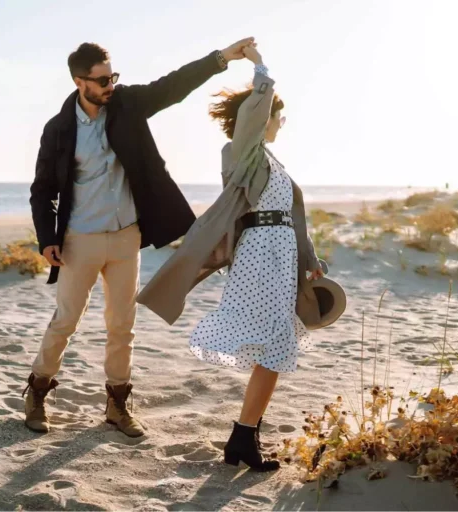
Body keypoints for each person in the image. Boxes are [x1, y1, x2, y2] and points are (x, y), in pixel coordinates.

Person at [25, 38, 256, 437]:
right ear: (80, 82)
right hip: (81, 239)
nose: (110, 85)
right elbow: (42, 189)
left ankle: (117, 405)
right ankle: (38, 392)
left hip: (126, 237)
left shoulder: (127, 105)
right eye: (102, 80)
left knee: (122, 326)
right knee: (66, 321)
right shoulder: (59, 129)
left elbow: (172, 86)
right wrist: (47, 238)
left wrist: (220, 59)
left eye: (113, 76)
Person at [137, 44, 325, 470]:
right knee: (275, 346)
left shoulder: (274, 162)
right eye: (277, 116)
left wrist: (309, 258)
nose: (280, 123)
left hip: (281, 256)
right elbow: (256, 113)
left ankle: (244, 436)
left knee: (275, 347)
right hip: (260, 257)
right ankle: (243, 437)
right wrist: (260, 67)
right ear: (261, 117)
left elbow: (291, 217)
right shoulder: (242, 153)